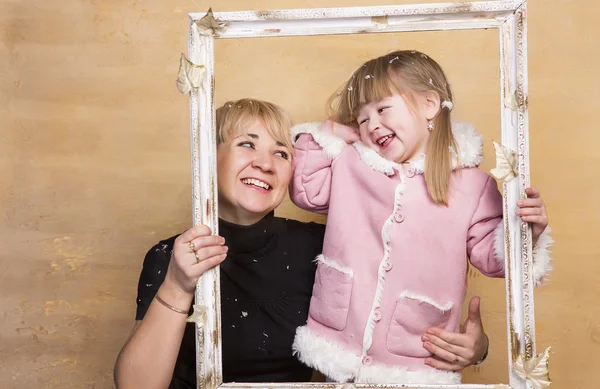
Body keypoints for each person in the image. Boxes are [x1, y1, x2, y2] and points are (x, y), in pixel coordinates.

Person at [114, 98, 492, 389]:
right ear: (208, 158)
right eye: (248, 144)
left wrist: (476, 348)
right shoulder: (173, 255)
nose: (266, 163)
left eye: (281, 152)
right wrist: (179, 285)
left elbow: (400, 291)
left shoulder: (321, 247)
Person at [289, 50, 553, 385]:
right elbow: (307, 192)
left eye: (382, 109)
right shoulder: (352, 164)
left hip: (414, 357)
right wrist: (328, 134)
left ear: (429, 105)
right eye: (362, 118)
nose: (371, 125)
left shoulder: (472, 186)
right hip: (339, 350)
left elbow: (495, 259)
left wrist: (530, 232)